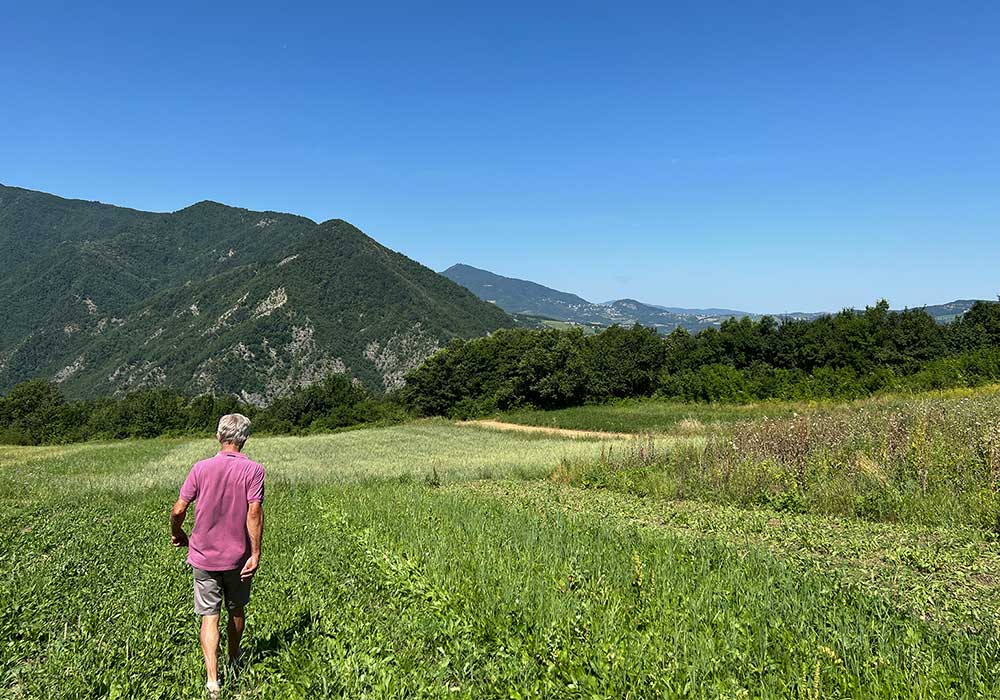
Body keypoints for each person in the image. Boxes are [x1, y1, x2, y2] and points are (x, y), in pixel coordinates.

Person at [171, 413, 265, 698]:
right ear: (244, 439)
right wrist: (256, 553)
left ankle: (213, 680)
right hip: (238, 557)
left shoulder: (200, 468)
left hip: (203, 556)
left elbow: (178, 509)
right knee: (236, 609)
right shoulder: (254, 470)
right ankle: (234, 660)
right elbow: (254, 512)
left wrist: (178, 533)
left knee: (208, 616)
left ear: (218, 436)